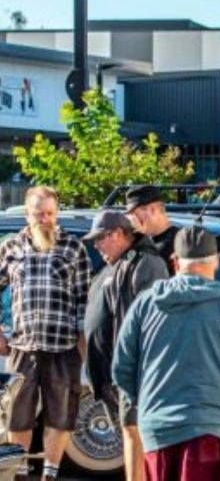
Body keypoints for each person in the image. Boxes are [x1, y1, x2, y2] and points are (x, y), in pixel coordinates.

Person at [112, 225, 220, 481]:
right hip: (213, 428)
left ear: (174, 261)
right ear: (216, 260)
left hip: (158, 428)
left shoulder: (146, 303)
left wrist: (145, 406)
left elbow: (122, 368)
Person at [0, 186, 91, 481]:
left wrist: (82, 345)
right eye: (39, 213)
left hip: (63, 348)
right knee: (17, 415)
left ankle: (50, 474)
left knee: (61, 416)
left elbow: (84, 300)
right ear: (28, 213)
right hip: (21, 346)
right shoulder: (10, 247)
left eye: (50, 213)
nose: (45, 218)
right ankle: (21, 472)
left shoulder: (73, 248)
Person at [83, 210, 168, 481]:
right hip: (115, 373)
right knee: (130, 432)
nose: (96, 245)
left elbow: (150, 319)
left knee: (137, 431)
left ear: (119, 234)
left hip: (137, 372)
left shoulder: (147, 263)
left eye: (101, 238)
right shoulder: (115, 265)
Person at [124, 185, 179, 274]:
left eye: (135, 213)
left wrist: (139, 238)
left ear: (152, 210)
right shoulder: (144, 241)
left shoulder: (180, 242)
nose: (133, 219)